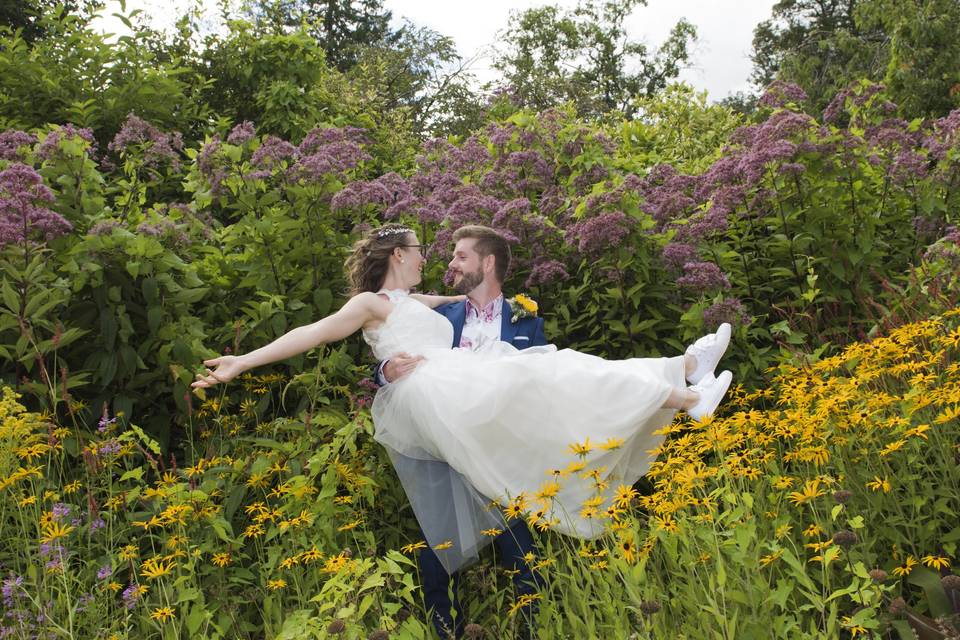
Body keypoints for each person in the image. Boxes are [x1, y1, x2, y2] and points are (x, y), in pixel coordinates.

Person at [192, 223, 733, 631]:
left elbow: (467, 297)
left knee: (555, 363)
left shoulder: (417, 301)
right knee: (538, 370)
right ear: (399, 255)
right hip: (434, 392)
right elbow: (313, 331)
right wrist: (243, 361)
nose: (431, 258)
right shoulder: (370, 303)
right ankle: (685, 389)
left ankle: (685, 380)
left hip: (453, 385)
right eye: (422, 249)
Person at [374, 225, 548, 638]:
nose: (450, 263)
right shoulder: (437, 317)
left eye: (461, 256)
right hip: (445, 450)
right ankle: (443, 629)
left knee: (521, 549)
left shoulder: (527, 322)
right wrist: (385, 371)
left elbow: (542, 386)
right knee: (439, 547)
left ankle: (532, 628)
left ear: (487, 263)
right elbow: (389, 345)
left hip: (502, 454)